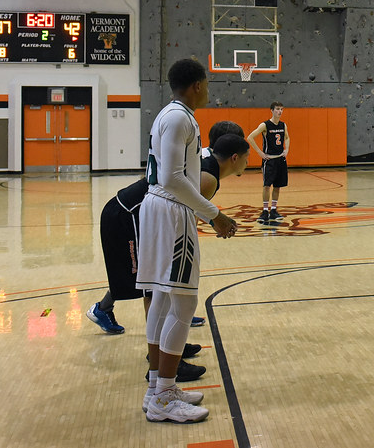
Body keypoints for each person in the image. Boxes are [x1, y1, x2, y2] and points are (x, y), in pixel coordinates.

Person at [86, 122, 246, 383]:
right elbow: (184, 220)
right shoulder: (208, 176)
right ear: (233, 153)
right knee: (155, 287)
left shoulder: (203, 157)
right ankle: (161, 359)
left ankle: (169, 348)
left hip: (138, 212)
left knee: (154, 283)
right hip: (127, 216)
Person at [137, 59, 239, 423]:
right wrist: (216, 214)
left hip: (156, 209)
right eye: (207, 83)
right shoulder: (181, 118)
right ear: (197, 85)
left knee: (163, 301)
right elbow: (173, 177)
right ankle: (164, 394)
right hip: (170, 210)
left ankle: (156, 388)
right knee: (183, 302)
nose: (208, 89)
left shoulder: (168, 114)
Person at [247, 102, 290, 224]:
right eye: (277, 109)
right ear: (272, 110)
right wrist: (260, 152)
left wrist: (286, 149)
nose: (280, 111)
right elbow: (250, 137)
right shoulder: (265, 125)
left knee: (277, 186)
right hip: (269, 160)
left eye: (281, 109)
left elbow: (287, 137)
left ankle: (274, 211)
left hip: (280, 159)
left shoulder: (283, 125)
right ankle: (265, 211)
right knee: (267, 185)